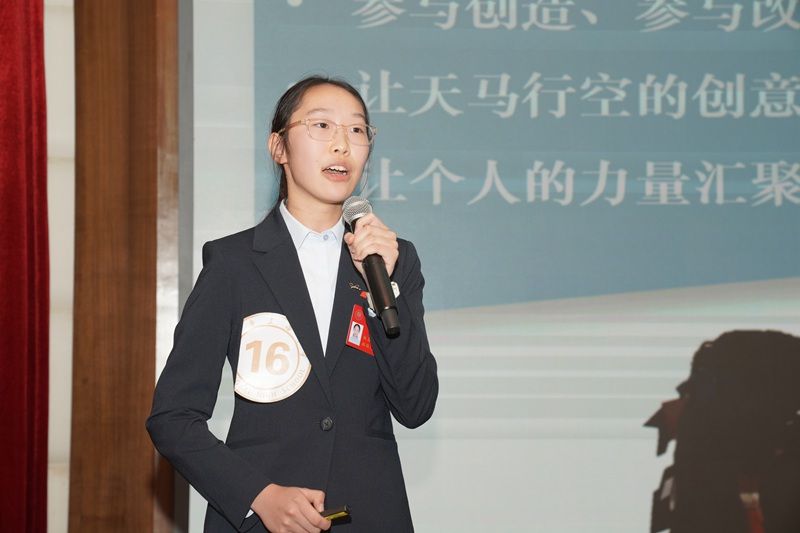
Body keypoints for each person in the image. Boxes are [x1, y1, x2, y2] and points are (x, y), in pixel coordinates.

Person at [146, 75, 439, 533]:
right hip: (261, 522)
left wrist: (385, 287)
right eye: (322, 126)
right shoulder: (233, 263)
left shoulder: (392, 260)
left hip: (369, 516)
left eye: (357, 130)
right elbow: (173, 418)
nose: (342, 144)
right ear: (278, 147)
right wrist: (258, 495)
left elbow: (415, 406)